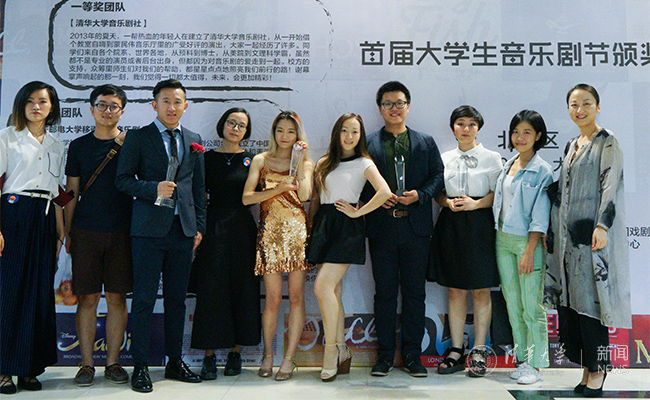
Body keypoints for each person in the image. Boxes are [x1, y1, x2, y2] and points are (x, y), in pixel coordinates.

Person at [115, 79, 206, 393]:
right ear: (154, 105)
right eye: (166, 101)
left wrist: (199, 227)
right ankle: (140, 366)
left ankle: (175, 361)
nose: (171, 107)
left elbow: (198, 189)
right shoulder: (138, 138)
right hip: (148, 231)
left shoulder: (193, 140)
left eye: (177, 102)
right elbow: (123, 180)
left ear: (185, 106)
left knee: (177, 302)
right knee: (143, 300)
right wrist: (152, 188)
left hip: (183, 230)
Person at [361, 81, 444, 378]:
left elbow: (438, 176)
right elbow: (357, 179)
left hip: (415, 228)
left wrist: (420, 195)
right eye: (387, 104)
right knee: (383, 293)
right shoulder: (367, 143)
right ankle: (384, 355)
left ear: (408, 106)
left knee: (414, 294)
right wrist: (375, 199)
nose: (393, 109)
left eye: (399, 103)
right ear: (379, 108)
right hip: (382, 227)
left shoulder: (425, 142)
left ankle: (411, 355)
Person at [552, 84, 631, 397]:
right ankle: (587, 368)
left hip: (592, 239)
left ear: (598, 107)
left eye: (586, 103)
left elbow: (610, 186)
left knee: (592, 304)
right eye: (574, 104)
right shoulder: (571, 145)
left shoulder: (606, 141)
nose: (580, 110)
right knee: (573, 304)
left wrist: (602, 225)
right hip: (568, 242)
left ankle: (599, 370)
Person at [310, 113, 391, 382]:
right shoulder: (323, 162)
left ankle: (331, 351)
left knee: (322, 287)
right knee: (333, 289)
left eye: (355, 131)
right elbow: (315, 198)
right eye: (345, 130)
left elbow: (384, 192)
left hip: (346, 228)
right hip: (323, 224)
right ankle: (342, 350)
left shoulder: (364, 163)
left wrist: (359, 212)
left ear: (361, 136)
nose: (349, 136)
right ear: (337, 132)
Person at [64, 84, 132, 387]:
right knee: (88, 298)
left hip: (123, 231)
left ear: (122, 111)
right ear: (91, 109)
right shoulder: (78, 146)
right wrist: (67, 232)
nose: (107, 111)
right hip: (85, 231)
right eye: (102, 105)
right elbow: (71, 191)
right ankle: (86, 364)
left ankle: (114, 362)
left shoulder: (131, 144)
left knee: (117, 297)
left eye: (113, 106)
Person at [0, 81, 64, 394]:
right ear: (21, 105)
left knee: (39, 294)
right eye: (30, 101)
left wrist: (61, 231)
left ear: (52, 107)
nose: (36, 107)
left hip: (45, 218)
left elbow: (59, 193)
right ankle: (3, 369)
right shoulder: (6, 137)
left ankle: (29, 369)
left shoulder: (56, 145)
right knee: (9, 292)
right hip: (13, 215)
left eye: (43, 101)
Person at [430, 105, 503, 378]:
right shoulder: (444, 158)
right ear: (453, 128)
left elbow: (499, 193)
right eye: (461, 123)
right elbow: (437, 192)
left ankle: (481, 350)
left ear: (478, 129)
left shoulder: (492, 158)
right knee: (455, 290)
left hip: (481, 224)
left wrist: (476, 204)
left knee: (481, 290)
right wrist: (446, 202)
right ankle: (457, 350)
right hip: (451, 224)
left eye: (472, 124)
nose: (466, 129)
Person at [242, 110, 313, 381]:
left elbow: (305, 195)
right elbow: (247, 198)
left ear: (298, 135)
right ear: (273, 133)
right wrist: (278, 189)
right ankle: (268, 355)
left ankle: (289, 358)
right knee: (272, 299)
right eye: (280, 130)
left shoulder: (305, 162)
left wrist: (299, 163)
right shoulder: (261, 160)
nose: (285, 136)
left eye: (291, 131)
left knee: (295, 297)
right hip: (269, 234)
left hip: (297, 234)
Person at [190, 108, 260, 379]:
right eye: (232, 123)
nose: (235, 128)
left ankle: (236, 353)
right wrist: (197, 230)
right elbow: (196, 196)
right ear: (222, 125)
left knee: (243, 290)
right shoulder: (205, 158)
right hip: (212, 228)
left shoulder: (252, 160)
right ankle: (208, 357)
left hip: (243, 230)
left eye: (242, 125)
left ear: (247, 131)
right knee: (211, 291)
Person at [492, 110, 552, 384]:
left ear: (538, 136)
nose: (520, 137)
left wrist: (529, 251)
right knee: (513, 304)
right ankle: (524, 361)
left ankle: (537, 366)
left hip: (528, 243)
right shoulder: (508, 164)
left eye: (527, 132)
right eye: (516, 132)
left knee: (531, 306)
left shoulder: (542, 170)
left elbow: (540, 216)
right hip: (502, 239)